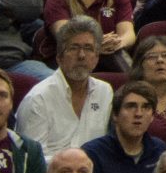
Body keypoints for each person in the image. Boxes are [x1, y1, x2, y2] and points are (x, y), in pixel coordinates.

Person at [16, 23, 115, 155]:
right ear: (59, 57)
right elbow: (32, 160)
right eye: (74, 48)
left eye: (88, 48)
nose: (81, 55)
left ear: (96, 58)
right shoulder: (38, 98)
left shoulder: (105, 92)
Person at [83, 83, 162, 173]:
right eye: (131, 106)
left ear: (152, 116)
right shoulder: (92, 153)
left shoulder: (159, 150)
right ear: (115, 115)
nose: (138, 114)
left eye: (146, 107)